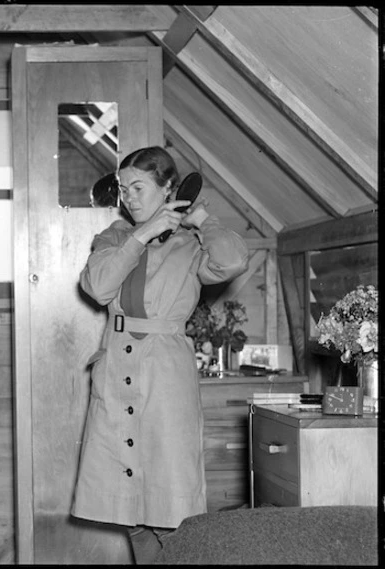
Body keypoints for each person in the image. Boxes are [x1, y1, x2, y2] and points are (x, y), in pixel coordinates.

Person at [72, 146, 248, 563]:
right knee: (128, 506)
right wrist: (142, 235)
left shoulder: (191, 244)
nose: (129, 197)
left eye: (139, 187)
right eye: (123, 189)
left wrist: (200, 219)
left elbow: (233, 261)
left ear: (169, 189)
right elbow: (97, 287)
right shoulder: (114, 238)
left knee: (172, 506)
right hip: (116, 373)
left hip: (165, 376)